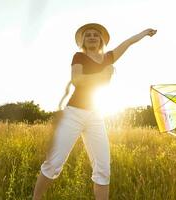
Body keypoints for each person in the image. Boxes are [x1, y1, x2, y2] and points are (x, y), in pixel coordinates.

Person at [32, 23, 157, 200]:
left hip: (96, 116)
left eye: (95, 35)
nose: (91, 37)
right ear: (83, 41)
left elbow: (127, 43)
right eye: (88, 35)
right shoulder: (79, 57)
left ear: (101, 40)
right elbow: (77, 80)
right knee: (53, 164)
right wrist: (103, 75)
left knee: (103, 169)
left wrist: (144, 33)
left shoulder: (108, 58)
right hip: (73, 114)